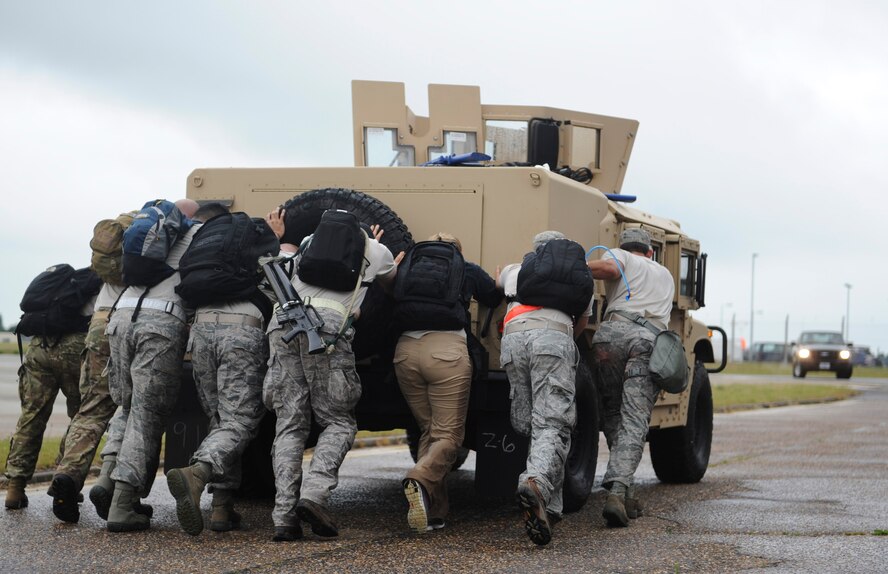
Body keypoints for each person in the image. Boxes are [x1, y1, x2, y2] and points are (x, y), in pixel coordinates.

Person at [262, 210, 399, 542]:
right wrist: (378, 255)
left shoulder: (309, 242)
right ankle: (314, 494)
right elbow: (391, 286)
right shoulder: (376, 251)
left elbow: (283, 268)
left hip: (283, 324)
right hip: (327, 330)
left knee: (290, 423)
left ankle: (283, 517)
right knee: (338, 421)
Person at [165, 203, 277, 536]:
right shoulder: (261, 245)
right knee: (240, 419)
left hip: (201, 327)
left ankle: (222, 508)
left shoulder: (205, 248)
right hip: (242, 328)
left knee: (219, 419)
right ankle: (198, 473)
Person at [392, 233, 502, 533]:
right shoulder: (464, 267)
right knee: (450, 436)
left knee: (430, 430)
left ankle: (434, 513)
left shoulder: (407, 267)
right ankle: (420, 476)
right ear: (457, 252)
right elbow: (493, 297)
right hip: (445, 353)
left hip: (404, 353)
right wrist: (497, 282)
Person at [104, 198, 200, 532]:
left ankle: (106, 480)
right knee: (145, 414)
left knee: (126, 406)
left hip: (120, 317)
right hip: (160, 322)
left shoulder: (144, 232)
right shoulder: (198, 234)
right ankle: (121, 503)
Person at [497, 231, 594, 546]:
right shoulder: (578, 274)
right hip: (552, 338)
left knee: (530, 422)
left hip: (512, 338)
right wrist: (563, 343)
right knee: (554, 423)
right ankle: (536, 483)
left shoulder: (516, 269)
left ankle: (549, 508)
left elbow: (496, 285)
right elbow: (581, 323)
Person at [51, 212, 138, 523]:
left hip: (97, 325)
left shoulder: (107, 260)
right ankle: (116, 487)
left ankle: (67, 475)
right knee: (133, 409)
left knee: (90, 410)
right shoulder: (142, 251)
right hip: (128, 324)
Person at [587, 227, 675, 527]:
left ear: (622, 247)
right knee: (635, 421)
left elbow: (609, 268)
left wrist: (575, 266)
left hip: (609, 338)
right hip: (646, 343)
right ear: (650, 251)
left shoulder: (620, 256)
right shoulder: (665, 273)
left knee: (612, 414)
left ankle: (624, 491)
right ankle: (618, 490)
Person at [4, 265, 98, 510]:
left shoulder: (64, 281)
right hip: (75, 347)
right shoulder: (95, 281)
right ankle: (62, 480)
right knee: (82, 416)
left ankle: (15, 487)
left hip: (39, 345)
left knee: (31, 417)